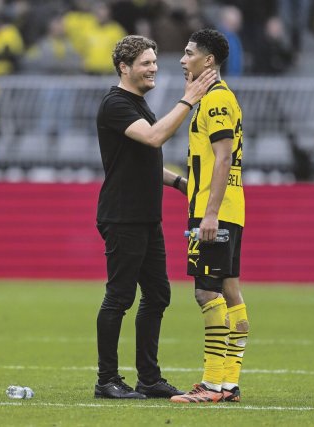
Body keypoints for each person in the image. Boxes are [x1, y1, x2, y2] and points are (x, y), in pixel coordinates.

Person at [94, 35, 216, 399]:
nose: (153, 69)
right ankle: (107, 380)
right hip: (122, 215)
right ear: (124, 68)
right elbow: (153, 138)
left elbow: (142, 159)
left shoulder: (137, 103)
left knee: (158, 294)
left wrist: (177, 182)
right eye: (146, 63)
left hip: (145, 216)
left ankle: (148, 378)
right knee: (119, 297)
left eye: (155, 63)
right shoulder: (115, 104)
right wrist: (188, 100)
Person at [170, 28, 248, 404]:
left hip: (213, 213)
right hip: (228, 208)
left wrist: (210, 214)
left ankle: (212, 384)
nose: (183, 60)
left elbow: (221, 157)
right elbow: (210, 166)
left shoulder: (215, 100)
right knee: (230, 290)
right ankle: (229, 382)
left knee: (206, 292)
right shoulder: (221, 98)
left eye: (189, 53)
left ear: (209, 60)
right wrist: (174, 180)